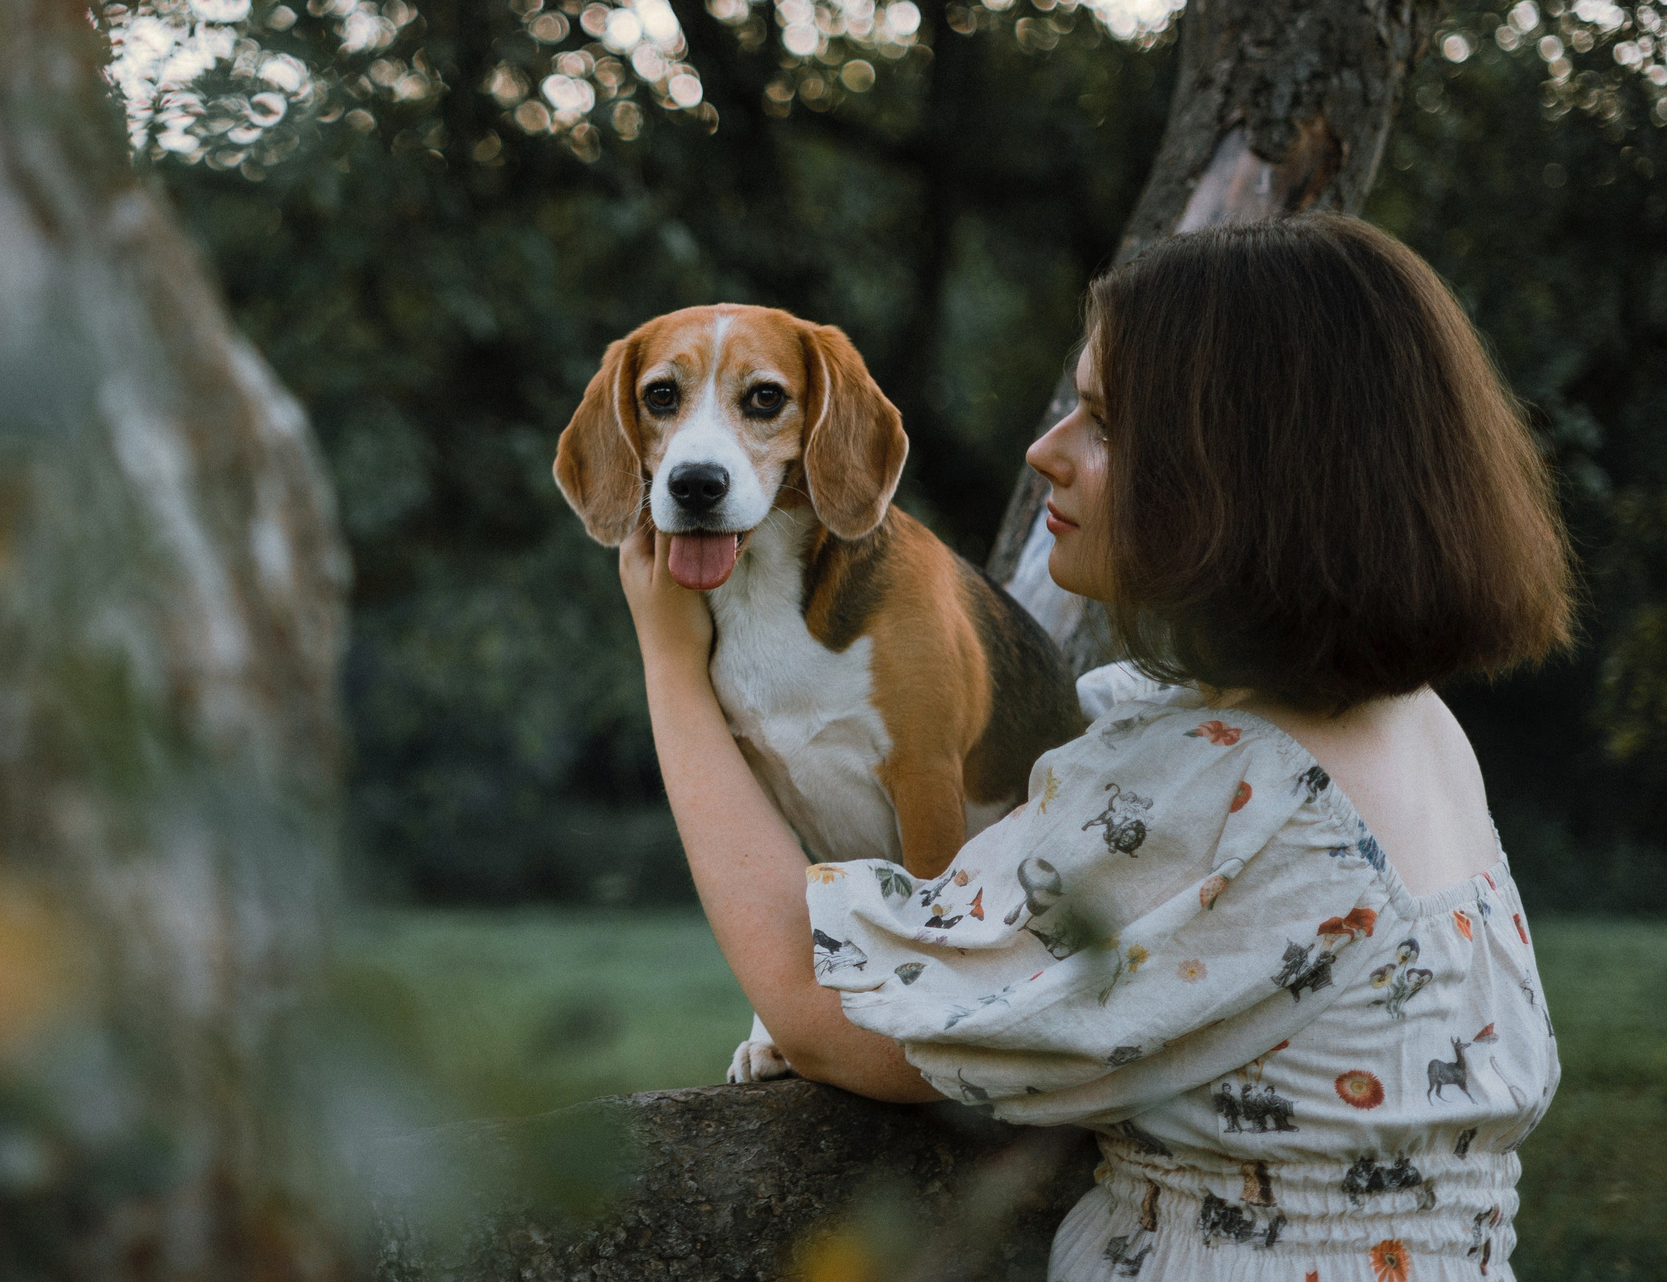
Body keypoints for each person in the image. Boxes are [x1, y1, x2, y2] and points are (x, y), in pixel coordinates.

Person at [618, 214, 1572, 1279]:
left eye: (1103, 423)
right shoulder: (1418, 726)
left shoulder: (1213, 786)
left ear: (1250, 476)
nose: (1045, 451)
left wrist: (670, 664)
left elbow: (819, 1016)